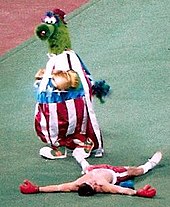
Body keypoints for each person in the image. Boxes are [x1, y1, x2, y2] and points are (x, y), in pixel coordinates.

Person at [19, 151, 162, 198]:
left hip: (93, 168)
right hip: (113, 172)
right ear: (95, 189)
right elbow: (122, 190)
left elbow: (58, 187)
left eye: (89, 183)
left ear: (83, 183)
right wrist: (138, 193)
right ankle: (151, 164)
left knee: (86, 168)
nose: (93, 182)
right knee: (134, 171)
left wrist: (37, 189)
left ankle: (78, 155)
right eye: (94, 185)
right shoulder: (103, 185)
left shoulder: (76, 184)